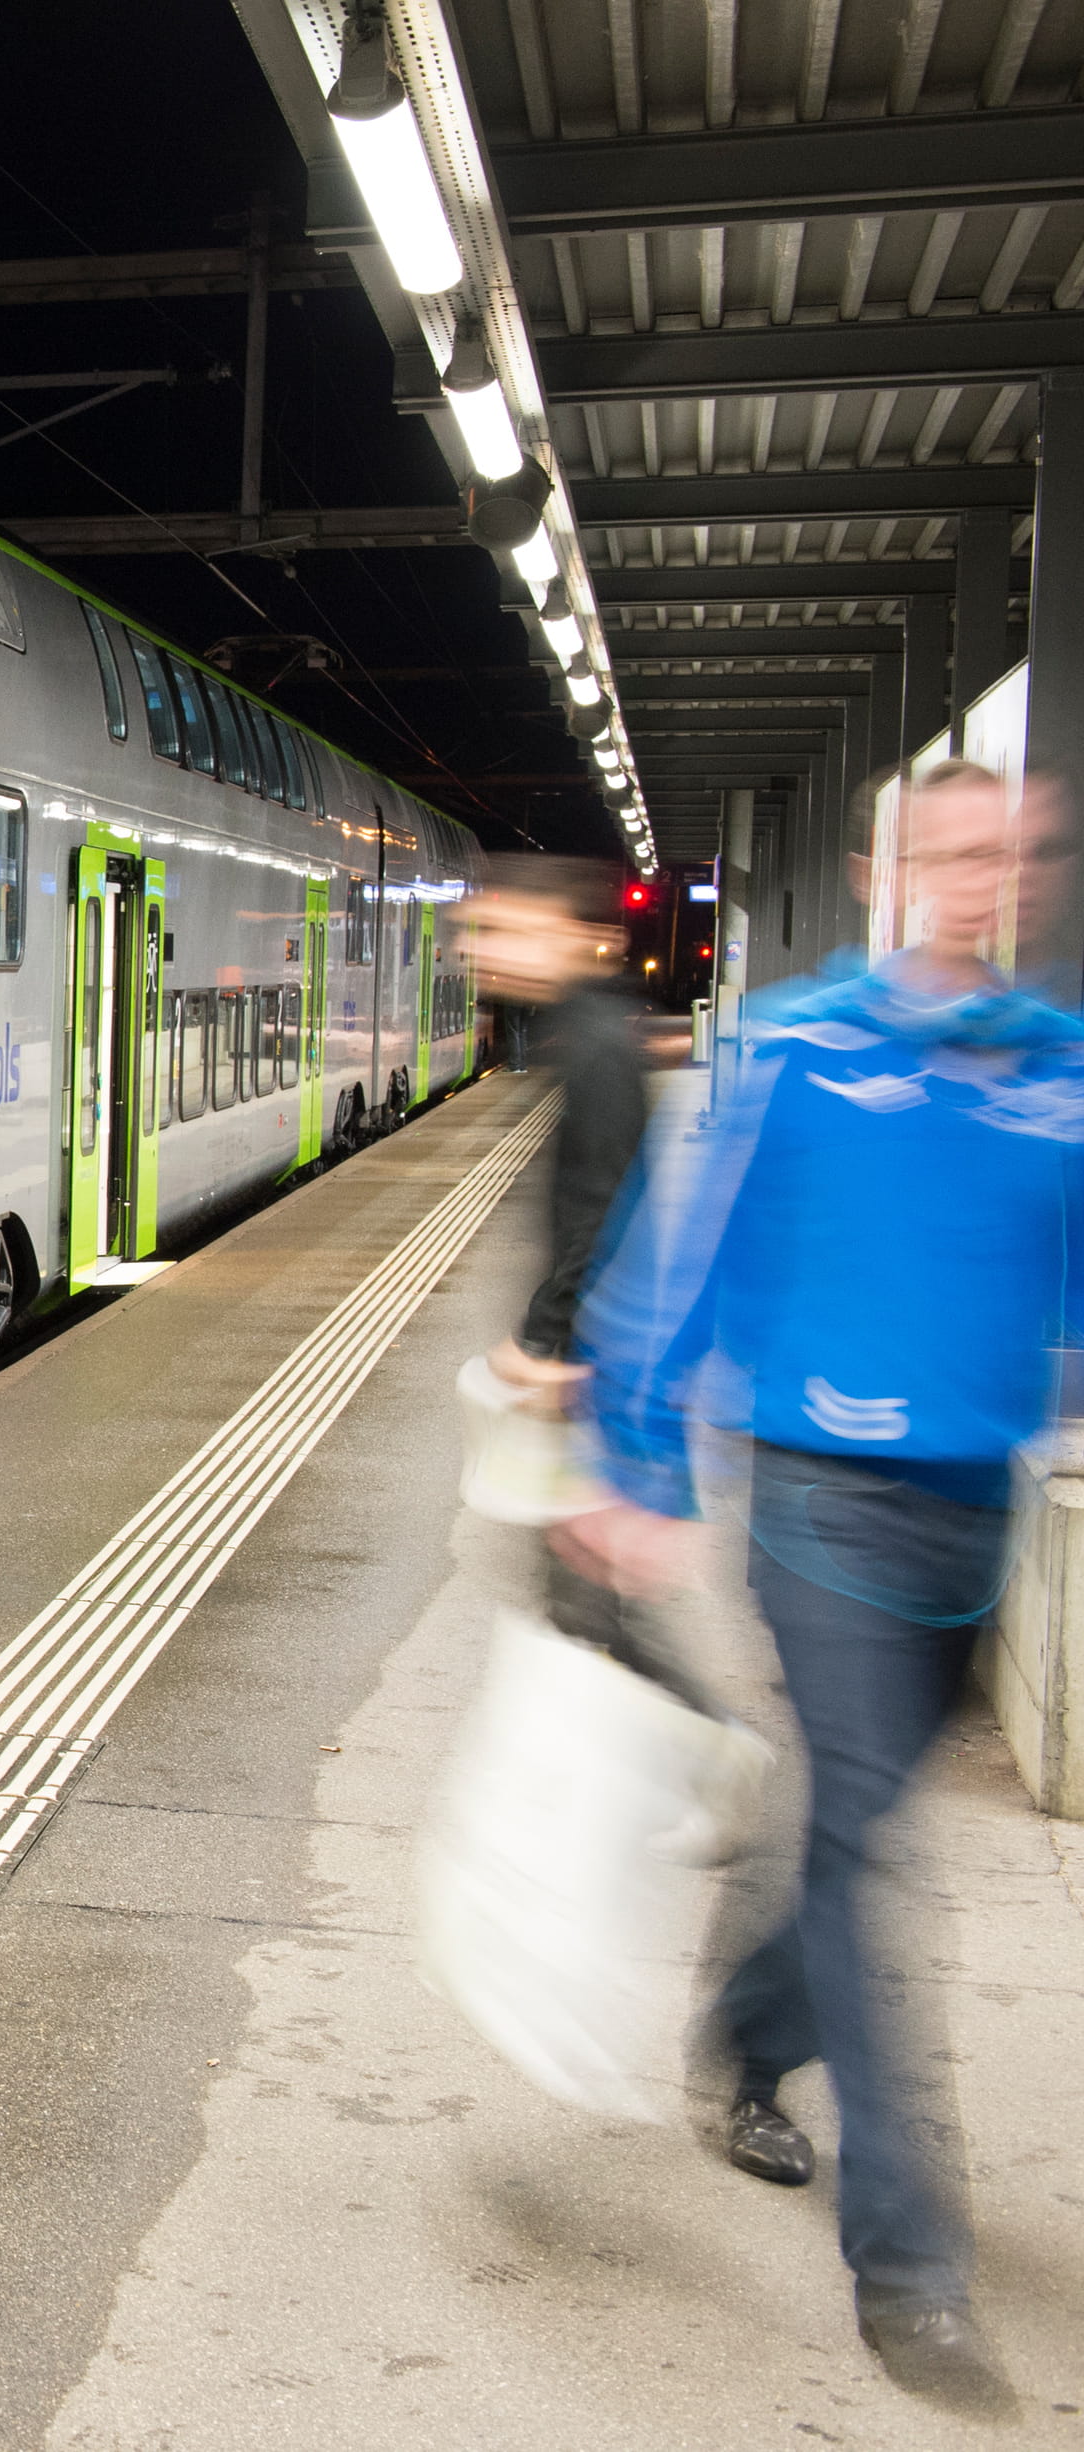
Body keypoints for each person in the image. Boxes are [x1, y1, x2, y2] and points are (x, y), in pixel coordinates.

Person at [570, 758, 1084, 2411]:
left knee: (861, 1820)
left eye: (1010, 850)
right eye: (948, 848)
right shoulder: (797, 1043)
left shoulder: (1058, 1070)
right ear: (885, 864)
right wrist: (639, 1467)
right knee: (871, 1851)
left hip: (974, 1506)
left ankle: (738, 2028)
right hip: (818, 1498)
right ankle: (909, 2259)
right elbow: (674, 1250)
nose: (979, 876)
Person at [455, 854, 714, 1714]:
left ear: (568, 936)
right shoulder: (590, 1035)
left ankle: (697, 1751)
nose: (481, 946)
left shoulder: (597, 1046)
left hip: (598, 1370)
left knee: (589, 1598)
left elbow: (601, 1212)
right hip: (600, 1358)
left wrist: (550, 1346)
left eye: (503, 928)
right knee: (586, 1596)